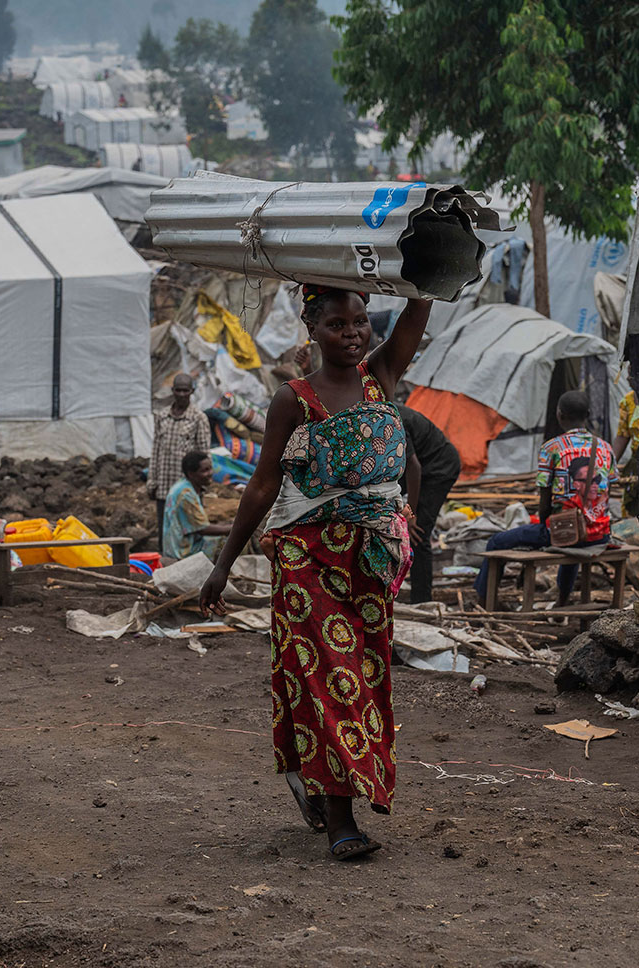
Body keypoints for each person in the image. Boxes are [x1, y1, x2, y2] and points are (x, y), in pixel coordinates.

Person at [200, 282, 431, 862]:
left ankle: (316, 779)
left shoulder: (382, 376)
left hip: (369, 561)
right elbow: (262, 486)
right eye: (336, 325)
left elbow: (419, 307)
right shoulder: (293, 399)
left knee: (364, 674)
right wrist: (222, 566)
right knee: (328, 678)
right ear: (312, 330)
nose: (351, 334)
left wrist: (424, 263)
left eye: (359, 322)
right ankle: (340, 820)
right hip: (307, 558)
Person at [473, 391, 615, 607]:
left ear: (559, 414)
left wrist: (543, 525)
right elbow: (608, 494)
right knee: (569, 533)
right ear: (587, 414)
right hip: (599, 535)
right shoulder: (606, 448)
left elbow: (544, 502)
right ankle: (563, 600)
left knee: (497, 542)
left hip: (565, 532)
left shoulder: (552, 448)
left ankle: (484, 601)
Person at [397, 401, 460, 604]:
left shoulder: (391, 419)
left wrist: (411, 514)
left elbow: (414, 468)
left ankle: (422, 601)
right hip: (419, 467)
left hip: (439, 467)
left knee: (418, 534)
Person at [148, 373, 207, 544]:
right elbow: (156, 451)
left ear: (192, 391)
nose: (181, 394)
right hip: (164, 486)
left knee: (189, 532)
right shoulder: (162, 416)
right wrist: (152, 481)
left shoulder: (198, 418)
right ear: (172, 391)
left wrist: (201, 486)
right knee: (165, 532)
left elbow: (204, 454)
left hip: (186, 490)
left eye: (185, 391)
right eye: (178, 390)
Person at [160, 449, 230, 562]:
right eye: (205, 470)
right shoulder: (186, 494)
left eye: (210, 468)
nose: (210, 473)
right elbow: (202, 529)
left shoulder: (187, 486)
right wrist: (231, 529)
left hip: (183, 543)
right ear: (191, 474)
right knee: (231, 541)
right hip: (183, 551)